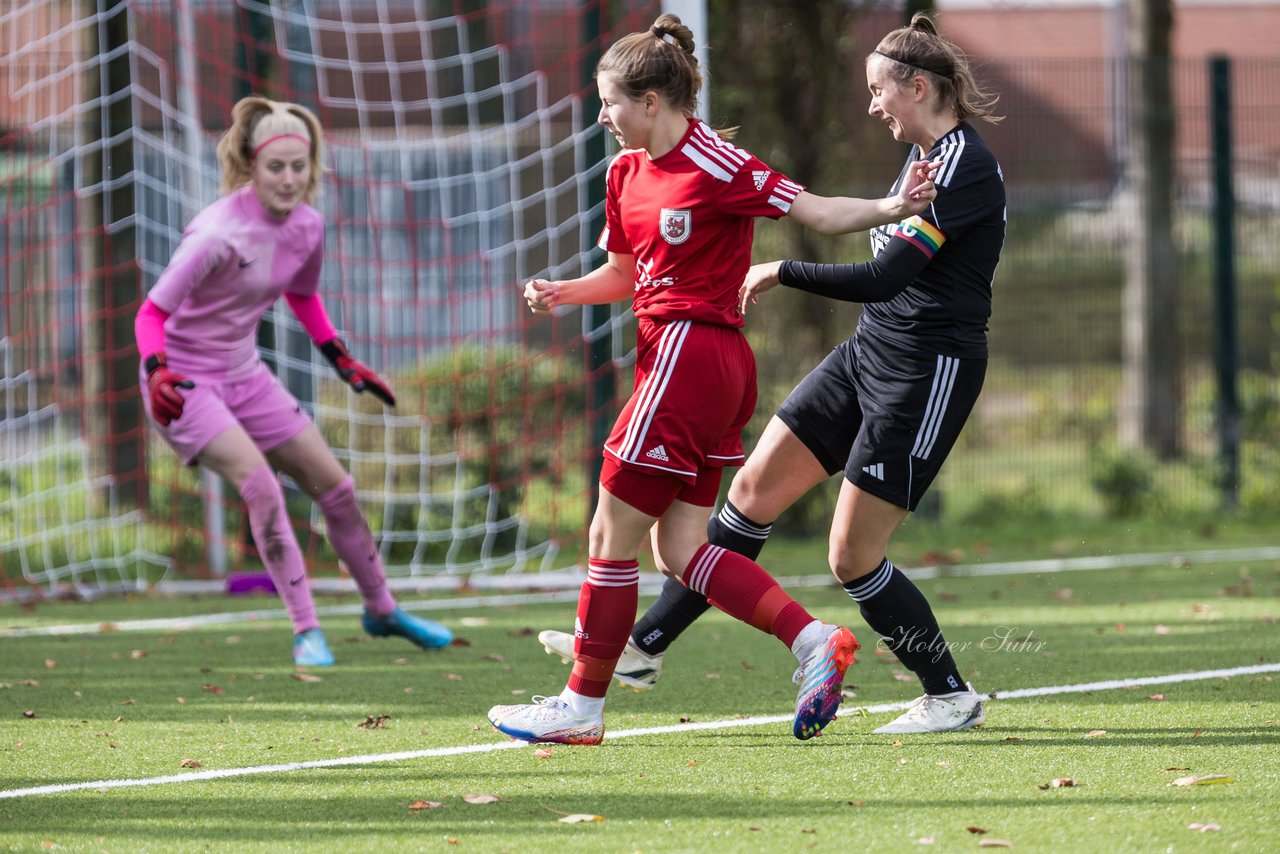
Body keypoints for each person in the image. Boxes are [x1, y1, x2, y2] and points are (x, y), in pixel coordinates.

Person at [537, 12, 1005, 735]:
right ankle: (644, 645)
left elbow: (886, 277)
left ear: (919, 86)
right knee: (750, 492)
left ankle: (947, 691)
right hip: (866, 353)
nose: (872, 104)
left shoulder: (961, 166)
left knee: (851, 555)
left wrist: (783, 268)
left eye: (881, 90)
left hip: (925, 369)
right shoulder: (920, 159)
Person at [135, 96, 454, 666]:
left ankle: (382, 610)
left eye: (298, 167)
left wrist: (341, 358)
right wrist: (157, 370)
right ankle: (307, 630)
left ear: (312, 168)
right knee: (259, 483)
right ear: (251, 168)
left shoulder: (308, 226)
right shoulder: (215, 235)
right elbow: (150, 315)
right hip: (182, 382)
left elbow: (301, 295)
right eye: (275, 167)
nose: (288, 179)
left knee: (337, 489)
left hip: (244, 372)